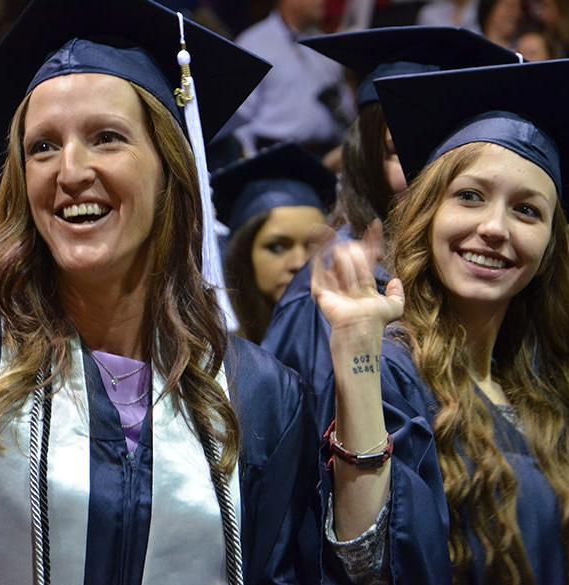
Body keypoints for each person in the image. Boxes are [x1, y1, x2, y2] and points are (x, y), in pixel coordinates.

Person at [0, 1, 320, 583]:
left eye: (106, 138)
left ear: (171, 165)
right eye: (41, 146)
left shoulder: (260, 395)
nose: (69, 171)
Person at [314, 59, 569, 583]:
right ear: (428, 214)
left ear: (550, 247)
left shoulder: (561, 395)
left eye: (527, 211)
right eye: (470, 197)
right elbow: (364, 568)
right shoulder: (393, 373)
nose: (493, 227)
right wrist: (356, 355)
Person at [263, 26, 518, 393]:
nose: (427, 175)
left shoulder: (474, 279)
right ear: (365, 157)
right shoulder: (331, 291)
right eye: (400, 152)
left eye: (445, 154)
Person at [212, 142, 334, 343]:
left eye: (313, 246)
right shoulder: (223, 358)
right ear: (243, 255)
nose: (299, 263)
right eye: (277, 247)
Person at [233, 0, 355, 156]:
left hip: (328, 156)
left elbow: (344, 110)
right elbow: (240, 116)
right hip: (273, 160)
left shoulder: (326, 44)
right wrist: (247, 163)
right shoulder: (253, 42)